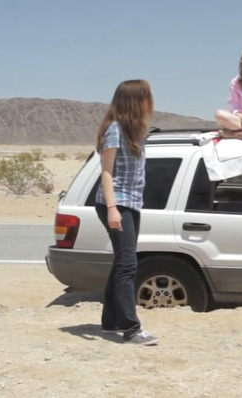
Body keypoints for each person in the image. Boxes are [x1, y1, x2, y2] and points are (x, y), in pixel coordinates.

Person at [94, 79, 158, 345]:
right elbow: (106, 173)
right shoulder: (114, 130)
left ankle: (110, 322)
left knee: (122, 261)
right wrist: (112, 209)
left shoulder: (134, 131)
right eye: (146, 97)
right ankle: (131, 329)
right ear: (135, 100)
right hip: (116, 203)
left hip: (130, 202)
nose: (150, 102)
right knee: (129, 265)